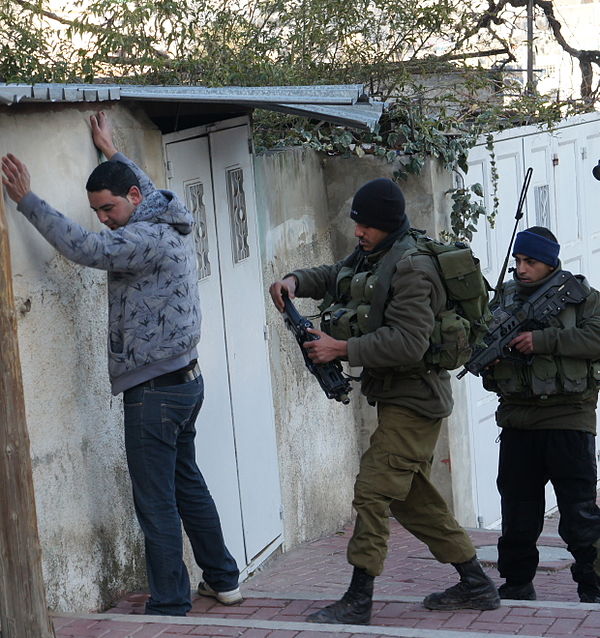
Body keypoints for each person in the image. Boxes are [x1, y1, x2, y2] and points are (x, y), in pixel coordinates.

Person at [1, 112, 241, 616]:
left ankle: (171, 603)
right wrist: (111, 150)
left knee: (156, 502)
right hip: (184, 382)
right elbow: (140, 184)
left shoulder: (144, 238)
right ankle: (223, 580)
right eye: (96, 210)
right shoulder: (162, 212)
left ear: (132, 200)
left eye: (107, 208)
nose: (103, 218)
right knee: (186, 485)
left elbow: (85, 248)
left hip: (154, 392)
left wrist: (27, 201)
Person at [269, 177, 500, 624]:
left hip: (416, 401)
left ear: (388, 225)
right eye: (358, 224)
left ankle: (358, 599)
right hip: (396, 397)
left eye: (366, 226)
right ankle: (475, 582)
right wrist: (295, 281)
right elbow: (339, 276)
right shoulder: (378, 252)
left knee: (372, 491)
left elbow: (410, 342)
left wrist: (342, 349)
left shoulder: (413, 267)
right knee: (410, 498)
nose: (358, 232)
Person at [482, 226, 600, 603]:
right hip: (518, 423)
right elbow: (479, 342)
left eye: (530, 261)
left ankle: (593, 587)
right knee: (517, 514)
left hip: (569, 421)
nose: (521, 268)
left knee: (579, 515)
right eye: (517, 260)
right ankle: (516, 585)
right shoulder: (503, 301)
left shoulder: (584, 299)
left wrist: (543, 341)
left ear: (549, 262)